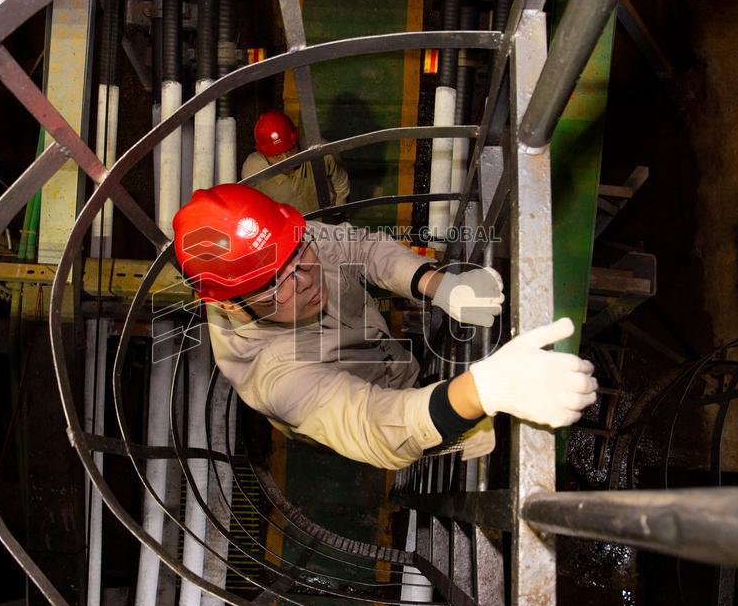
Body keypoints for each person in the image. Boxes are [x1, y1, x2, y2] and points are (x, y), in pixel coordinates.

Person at [172, 184, 597, 470]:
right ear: (233, 304)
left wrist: (438, 284)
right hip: (372, 401)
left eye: (300, 254)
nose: (306, 278)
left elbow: (363, 247)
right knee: (418, 429)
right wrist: (482, 392)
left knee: (411, 377)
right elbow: (371, 422)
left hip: (388, 355)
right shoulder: (273, 375)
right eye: (274, 285)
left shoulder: (287, 242)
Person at [241, 110, 350, 214]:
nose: (286, 158)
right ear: (263, 154)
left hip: (324, 224)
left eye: (290, 149)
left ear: (296, 139)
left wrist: (338, 216)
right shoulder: (253, 172)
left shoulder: (320, 152)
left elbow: (340, 184)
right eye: (277, 155)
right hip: (281, 229)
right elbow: (252, 210)